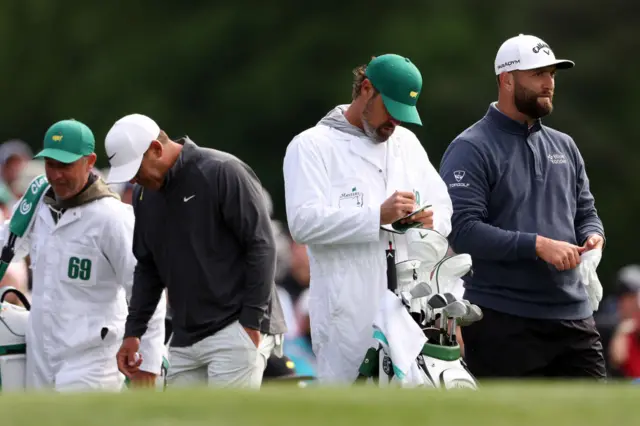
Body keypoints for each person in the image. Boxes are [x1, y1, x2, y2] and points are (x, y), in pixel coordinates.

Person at [439, 34, 606, 379]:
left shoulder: (565, 146)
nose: (548, 84)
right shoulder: (471, 147)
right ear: (507, 79)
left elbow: (586, 213)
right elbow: (462, 230)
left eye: (552, 75)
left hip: (573, 314)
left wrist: (593, 236)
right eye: (538, 74)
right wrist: (538, 245)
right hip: (503, 319)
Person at [283, 53, 453, 383]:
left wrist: (429, 221)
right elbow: (302, 223)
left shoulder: (406, 143)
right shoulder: (311, 146)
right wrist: (376, 216)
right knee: (348, 410)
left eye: (403, 115)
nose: (395, 123)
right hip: (344, 309)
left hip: (406, 308)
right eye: (390, 110)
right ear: (366, 89)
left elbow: (443, 206)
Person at [107, 113, 287, 389]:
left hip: (236, 326)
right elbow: (148, 268)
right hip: (186, 336)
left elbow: (261, 245)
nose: (134, 180)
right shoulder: (145, 196)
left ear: (156, 148)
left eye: (136, 169)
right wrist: (134, 333)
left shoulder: (221, 171)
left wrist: (251, 322)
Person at [0, 119, 166, 391]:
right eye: (50, 164)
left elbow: (146, 291)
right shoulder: (37, 204)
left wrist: (148, 362)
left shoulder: (112, 218)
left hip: (93, 363)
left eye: (65, 165)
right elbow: (6, 245)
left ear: (89, 161)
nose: (55, 175)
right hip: (39, 359)